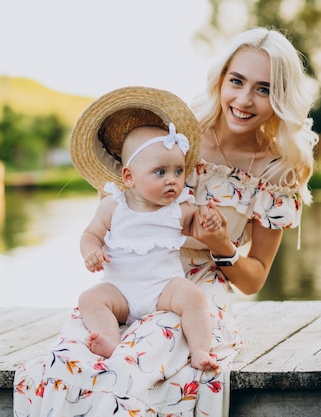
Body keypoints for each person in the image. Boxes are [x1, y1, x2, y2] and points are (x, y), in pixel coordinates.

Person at [14, 27, 318, 417]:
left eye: (263, 88)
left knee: (141, 360)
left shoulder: (279, 172)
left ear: (281, 95)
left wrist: (221, 245)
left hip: (197, 293)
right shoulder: (174, 138)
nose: (244, 99)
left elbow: (255, 278)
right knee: (76, 359)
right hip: (132, 278)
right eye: (237, 81)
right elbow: (118, 205)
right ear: (221, 79)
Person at [78, 122, 220, 371]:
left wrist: (210, 218)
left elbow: (201, 222)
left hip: (164, 288)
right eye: (160, 172)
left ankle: (200, 350)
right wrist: (92, 251)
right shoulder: (113, 206)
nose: (172, 180)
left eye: (178, 171)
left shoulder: (180, 208)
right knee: (89, 299)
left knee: (194, 297)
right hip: (120, 292)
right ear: (129, 177)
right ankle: (110, 338)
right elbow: (91, 234)